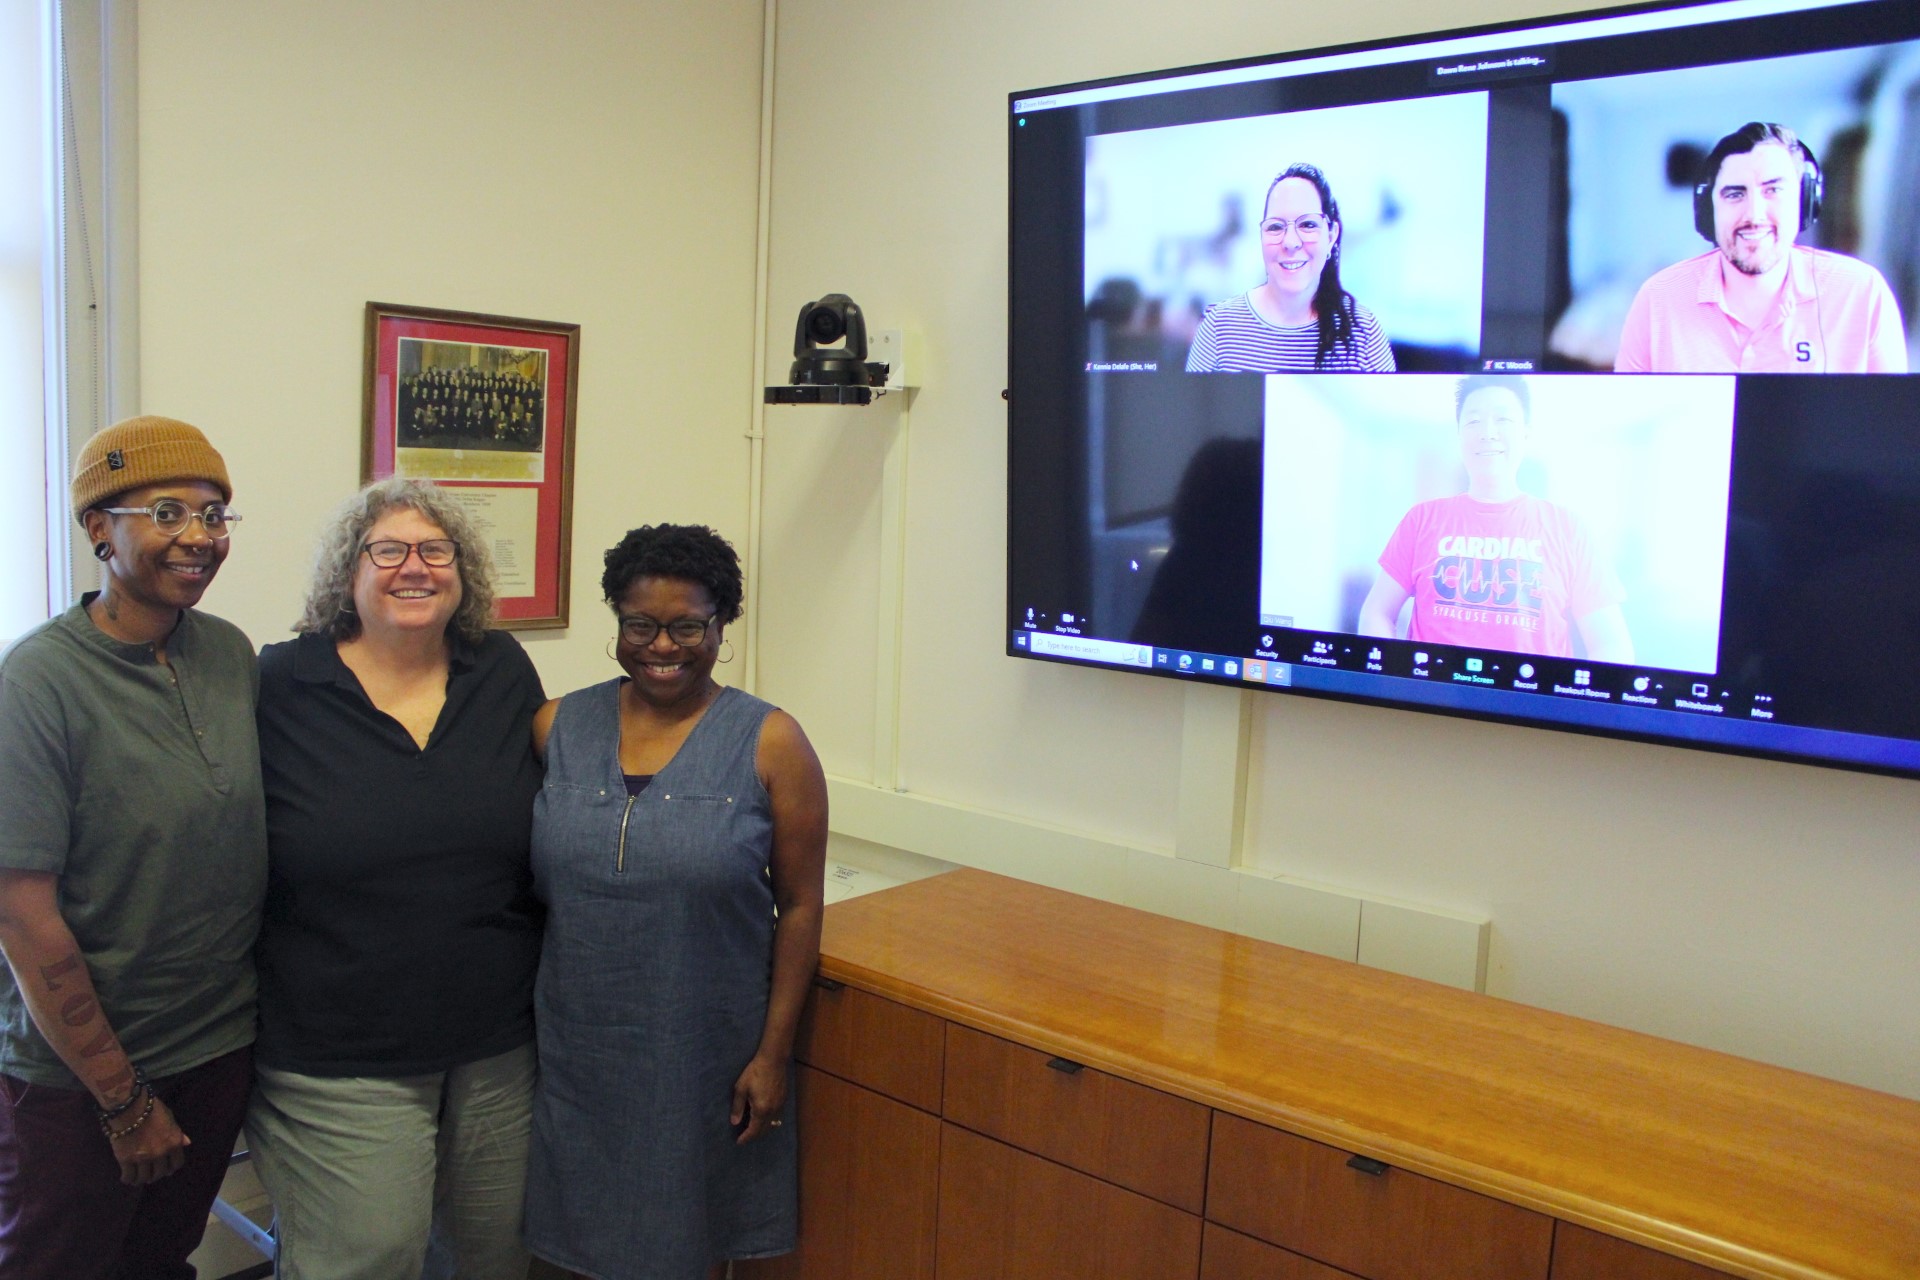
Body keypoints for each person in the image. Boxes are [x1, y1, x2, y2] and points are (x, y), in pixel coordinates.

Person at [245, 477, 546, 1280]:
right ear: (349, 571)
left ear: (463, 570)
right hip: (337, 1053)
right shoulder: (279, 685)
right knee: (366, 1258)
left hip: (496, 1046)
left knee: (496, 1257)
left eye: (435, 550)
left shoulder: (501, 670)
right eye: (388, 550)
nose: (414, 567)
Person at [525, 524, 828, 1280]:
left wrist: (772, 1055)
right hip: (572, 1052)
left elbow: (800, 905)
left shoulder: (770, 742)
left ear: (721, 628)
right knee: (560, 1245)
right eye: (640, 625)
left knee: (682, 1247)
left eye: (688, 626)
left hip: (701, 1057)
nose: (663, 645)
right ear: (617, 622)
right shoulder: (557, 727)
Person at [0, 416, 265, 1278]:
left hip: (216, 1050)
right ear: (98, 531)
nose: (198, 537)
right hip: (83, 1082)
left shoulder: (228, 653)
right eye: (165, 511)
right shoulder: (37, 682)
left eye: (215, 513)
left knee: (161, 1262)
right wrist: (121, 1101)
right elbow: (23, 916)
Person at [1357, 375, 1633, 661]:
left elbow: (1612, 644)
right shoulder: (1422, 519)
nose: (1488, 432)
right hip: (1426, 697)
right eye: (1474, 421)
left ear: (1526, 433)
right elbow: (1377, 611)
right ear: (1459, 434)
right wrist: (1391, 673)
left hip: (1527, 700)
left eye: (1503, 420)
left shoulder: (1569, 529)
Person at [1615, 122, 1907, 373]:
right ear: (1707, 211)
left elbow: (1893, 426)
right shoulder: (1657, 299)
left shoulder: (1863, 293)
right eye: (1734, 193)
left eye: (1773, 190)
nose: (1754, 215)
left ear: (1804, 203)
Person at [1186, 162, 1395, 372]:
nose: (1290, 242)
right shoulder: (1217, 327)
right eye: (1276, 226)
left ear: (1331, 236)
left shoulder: (1364, 332)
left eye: (1308, 225)